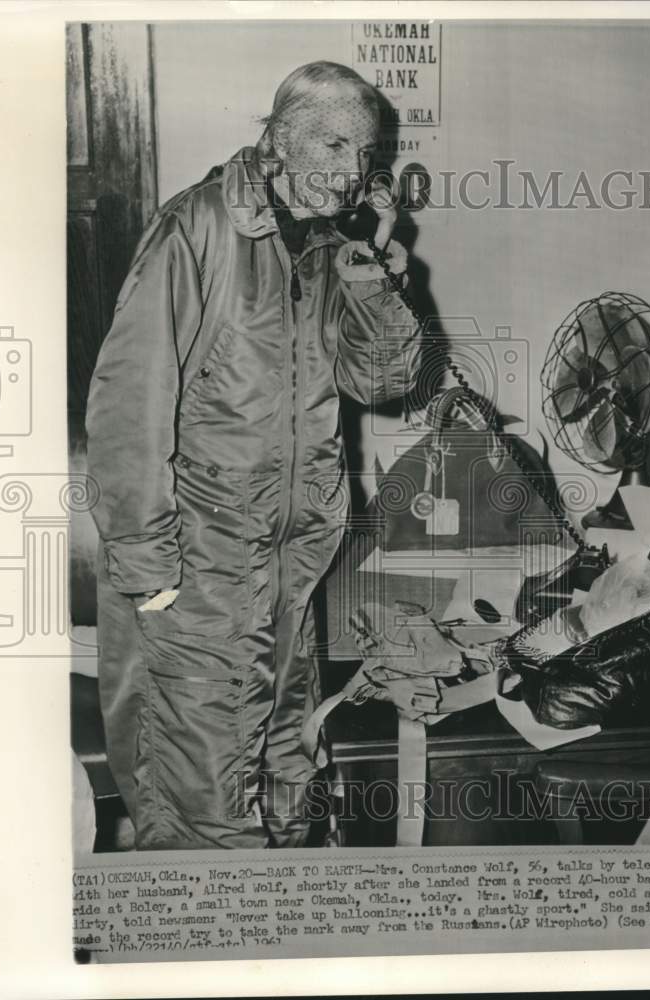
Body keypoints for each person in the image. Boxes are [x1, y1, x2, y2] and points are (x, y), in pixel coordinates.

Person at [86, 61, 420, 849]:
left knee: (284, 791)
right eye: (331, 144)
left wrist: (371, 279)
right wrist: (146, 567)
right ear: (275, 141)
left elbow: (388, 382)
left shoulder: (331, 245)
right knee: (203, 808)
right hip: (198, 579)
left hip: (290, 582)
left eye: (362, 153)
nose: (348, 173)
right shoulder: (195, 230)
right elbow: (127, 403)